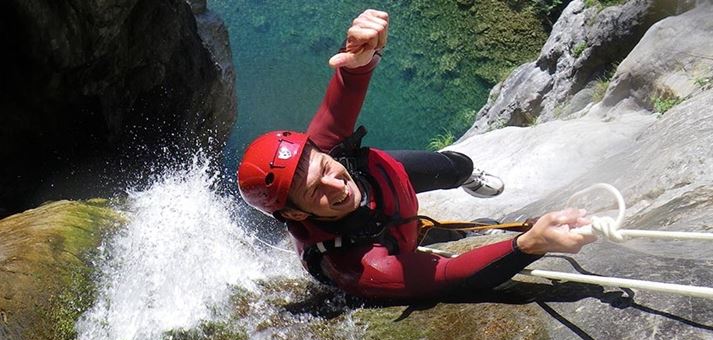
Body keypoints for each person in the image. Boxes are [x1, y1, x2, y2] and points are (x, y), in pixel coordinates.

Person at [237, 9, 596, 300]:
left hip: (388, 180)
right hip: (387, 230)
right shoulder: (361, 267)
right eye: (317, 190)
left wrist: (363, 53)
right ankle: (430, 215)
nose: (337, 184)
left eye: (328, 167)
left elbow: (347, 87)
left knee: (457, 166)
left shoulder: (319, 151)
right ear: (297, 212)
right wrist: (528, 245)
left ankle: (469, 177)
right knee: (429, 225)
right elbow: (449, 277)